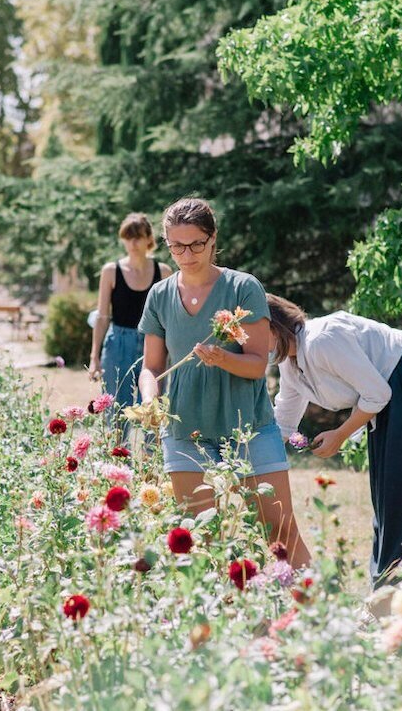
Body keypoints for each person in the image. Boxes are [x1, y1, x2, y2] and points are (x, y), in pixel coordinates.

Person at [137, 198, 310, 568]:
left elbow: (256, 366)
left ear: (213, 239)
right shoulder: (159, 295)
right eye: (177, 246)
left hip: (247, 427)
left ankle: (319, 608)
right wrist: (150, 398)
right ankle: (220, 618)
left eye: (196, 244)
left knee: (278, 530)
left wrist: (222, 357)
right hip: (186, 429)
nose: (187, 254)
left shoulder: (243, 288)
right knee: (200, 535)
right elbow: (151, 367)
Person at [267, 294, 402, 585]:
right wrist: (252, 455)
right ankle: (391, 589)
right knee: (390, 494)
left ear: (274, 325)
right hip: (390, 402)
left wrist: (339, 435)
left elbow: (378, 393)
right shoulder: (291, 364)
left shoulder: (321, 340)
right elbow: (284, 420)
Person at [88, 213, 172, 414]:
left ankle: (153, 448)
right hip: (118, 343)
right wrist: (94, 357)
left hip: (153, 343)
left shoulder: (164, 272)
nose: (133, 242)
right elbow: (102, 316)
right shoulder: (111, 271)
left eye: (138, 236)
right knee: (116, 411)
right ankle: (118, 447)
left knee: (154, 410)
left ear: (149, 239)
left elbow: (170, 318)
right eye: (128, 236)